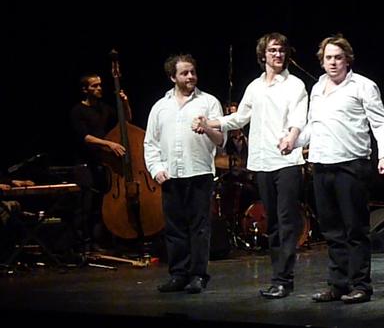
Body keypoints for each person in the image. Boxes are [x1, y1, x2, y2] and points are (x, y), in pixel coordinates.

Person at [197, 33, 308, 299]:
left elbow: (298, 119)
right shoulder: (255, 87)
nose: (278, 54)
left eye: (281, 50)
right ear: (263, 55)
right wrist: (211, 123)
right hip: (262, 161)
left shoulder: (295, 85)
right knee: (273, 222)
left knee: (286, 220)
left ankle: (283, 279)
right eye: (272, 50)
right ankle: (279, 278)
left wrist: (291, 138)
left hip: (287, 160)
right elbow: (240, 117)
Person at [288, 34, 384, 304]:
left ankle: (361, 285)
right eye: (328, 58)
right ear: (321, 61)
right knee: (331, 230)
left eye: (338, 57)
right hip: (322, 165)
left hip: (351, 165)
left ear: (347, 59)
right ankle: (338, 284)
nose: (333, 62)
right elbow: (313, 125)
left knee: (355, 229)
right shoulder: (317, 88)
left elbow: (380, 123)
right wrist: (294, 140)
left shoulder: (363, 86)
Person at [144, 54, 224, 294]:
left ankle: (198, 275)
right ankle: (178, 274)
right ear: (173, 77)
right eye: (184, 73)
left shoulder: (208, 102)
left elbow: (221, 140)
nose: (190, 77)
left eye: (193, 72)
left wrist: (207, 127)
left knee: (199, 228)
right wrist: (156, 169)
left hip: (199, 172)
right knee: (174, 228)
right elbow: (150, 143)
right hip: (171, 175)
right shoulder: (160, 107)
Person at [69, 73, 132, 250]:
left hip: (102, 164)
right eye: (94, 86)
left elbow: (126, 121)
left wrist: (125, 103)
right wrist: (109, 144)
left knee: (99, 206)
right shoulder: (77, 111)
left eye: (100, 85)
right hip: (84, 165)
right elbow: (85, 137)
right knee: (85, 206)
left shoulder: (103, 108)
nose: (99, 88)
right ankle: (82, 245)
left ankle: (98, 242)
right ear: (85, 89)